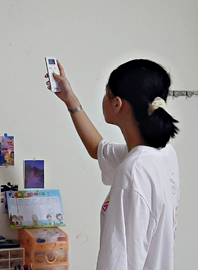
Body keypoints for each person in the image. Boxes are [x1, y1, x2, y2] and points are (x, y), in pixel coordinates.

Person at [45, 59, 180, 270]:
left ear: (117, 104)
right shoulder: (162, 153)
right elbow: (98, 149)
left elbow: (119, 260)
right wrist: (70, 100)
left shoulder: (134, 170)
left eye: (106, 94)